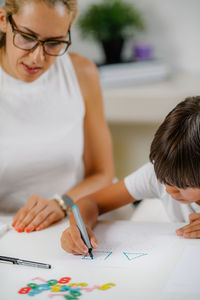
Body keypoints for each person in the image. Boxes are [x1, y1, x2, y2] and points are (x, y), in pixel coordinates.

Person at [0, 0, 114, 232]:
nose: (37, 58)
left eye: (54, 43)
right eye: (27, 37)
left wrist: (62, 203)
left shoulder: (82, 73)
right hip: (8, 229)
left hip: (75, 214)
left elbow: (103, 173)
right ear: (3, 20)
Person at [61, 96, 200, 255]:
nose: (169, 190)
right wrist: (79, 228)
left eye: (181, 185)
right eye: (163, 180)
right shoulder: (156, 173)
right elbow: (90, 202)